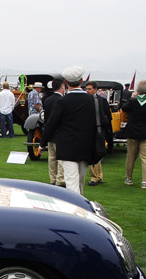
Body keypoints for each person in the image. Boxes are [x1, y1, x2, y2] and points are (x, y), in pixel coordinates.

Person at [41, 65, 98, 195]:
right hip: (85, 145)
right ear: (82, 81)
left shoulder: (63, 101)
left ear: (66, 82)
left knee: (72, 182)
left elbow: (51, 124)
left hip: (68, 146)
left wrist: (42, 142)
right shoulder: (91, 100)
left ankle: (76, 210)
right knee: (80, 182)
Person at [121, 80, 146, 189]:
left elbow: (124, 108)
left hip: (132, 131)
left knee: (131, 156)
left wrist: (132, 97)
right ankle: (145, 181)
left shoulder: (133, 102)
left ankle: (129, 178)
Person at [84, 81, 112, 186]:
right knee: (94, 153)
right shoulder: (85, 101)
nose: (87, 91)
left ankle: (95, 177)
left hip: (99, 130)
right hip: (89, 130)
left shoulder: (102, 101)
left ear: (95, 89)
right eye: (86, 89)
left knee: (97, 152)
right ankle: (97, 176)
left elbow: (108, 117)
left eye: (89, 89)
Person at [43, 79, 65, 186]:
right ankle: (60, 179)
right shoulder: (63, 100)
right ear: (62, 87)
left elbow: (47, 119)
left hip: (50, 133)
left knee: (51, 158)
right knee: (60, 158)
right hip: (60, 133)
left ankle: (52, 178)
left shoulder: (47, 100)